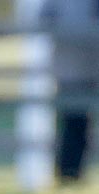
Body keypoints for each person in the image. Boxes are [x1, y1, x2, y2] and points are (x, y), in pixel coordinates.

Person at [40, 0, 99, 182]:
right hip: (72, 69)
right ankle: (70, 173)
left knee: (78, 122)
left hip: (89, 64)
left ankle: (71, 173)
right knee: (74, 121)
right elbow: (44, 21)